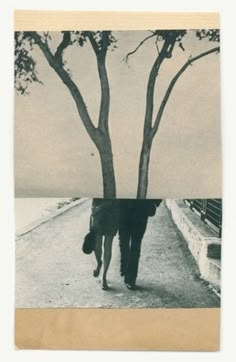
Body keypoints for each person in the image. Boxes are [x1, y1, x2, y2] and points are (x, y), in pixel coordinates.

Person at [119, 199, 162, 290]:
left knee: (135, 246)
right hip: (124, 211)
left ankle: (131, 278)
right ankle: (124, 266)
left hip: (141, 212)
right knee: (124, 244)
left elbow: (160, 186)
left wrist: (155, 203)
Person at [91, 198, 119, 290]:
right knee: (97, 243)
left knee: (108, 245)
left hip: (113, 209)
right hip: (98, 207)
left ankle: (103, 276)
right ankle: (99, 262)